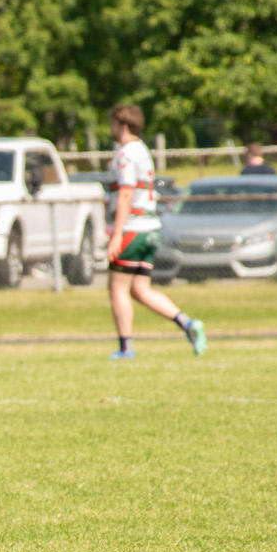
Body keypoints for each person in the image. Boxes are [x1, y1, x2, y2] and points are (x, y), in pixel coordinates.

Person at [107, 103, 208, 361]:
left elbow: (127, 192)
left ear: (124, 126)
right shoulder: (142, 150)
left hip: (133, 226)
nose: (111, 128)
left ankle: (126, 348)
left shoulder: (126, 153)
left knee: (117, 288)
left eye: (114, 124)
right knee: (140, 289)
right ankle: (187, 323)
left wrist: (117, 234)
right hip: (151, 226)